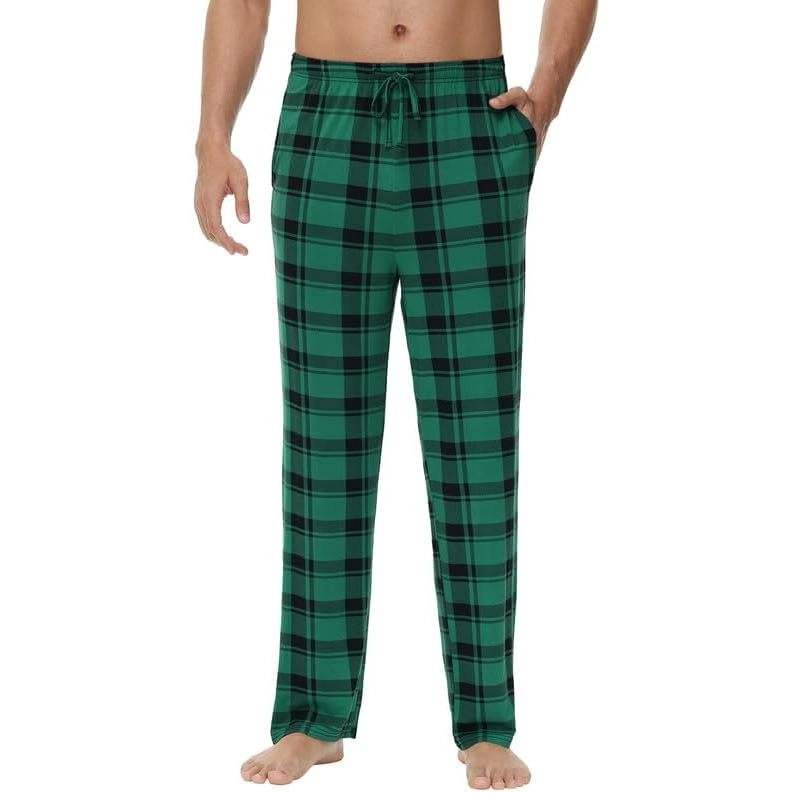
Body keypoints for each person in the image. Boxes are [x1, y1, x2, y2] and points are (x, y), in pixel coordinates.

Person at [195, 0, 596, 787]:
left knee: (476, 439)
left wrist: (546, 91)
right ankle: (312, 714)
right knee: (323, 437)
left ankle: (485, 722)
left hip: (468, 115)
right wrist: (213, 137)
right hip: (326, 115)